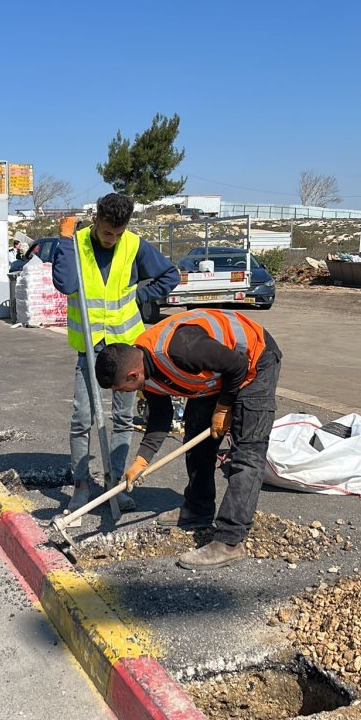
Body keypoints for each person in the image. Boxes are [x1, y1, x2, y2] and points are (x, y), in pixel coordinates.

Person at [94, 309, 282, 568]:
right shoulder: (145, 369)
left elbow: (237, 365)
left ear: (132, 375)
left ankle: (229, 541)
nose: (118, 393)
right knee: (196, 440)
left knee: (247, 453)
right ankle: (198, 508)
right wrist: (141, 461)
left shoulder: (181, 350)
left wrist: (225, 407)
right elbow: (160, 416)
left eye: (118, 388)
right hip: (218, 375)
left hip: (254, 361)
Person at [52, 192, 180, 513]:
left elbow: (171, 275)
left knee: (123, 418)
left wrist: (142, 295)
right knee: (83, 416)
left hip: (126, 348)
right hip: (90, 348)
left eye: (119, 233)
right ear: (96, 220)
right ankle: (80, 485)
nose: (113, 239)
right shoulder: (76, 243)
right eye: (108, 231)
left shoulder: (134, 245)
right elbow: (66, 284)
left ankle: (116, 484)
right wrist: (65, 238)